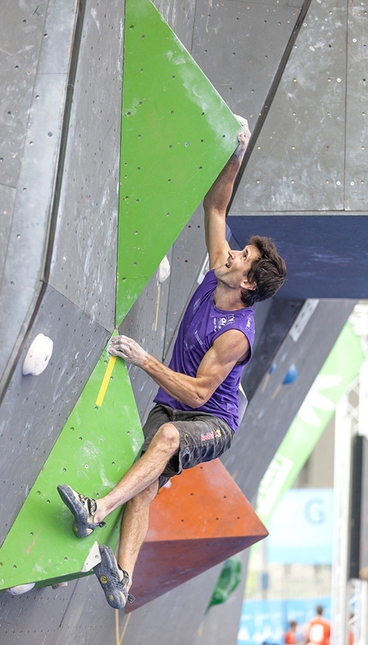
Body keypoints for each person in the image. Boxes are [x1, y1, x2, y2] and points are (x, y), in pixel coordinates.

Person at [57, 117, 287, 609]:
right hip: (176, 401)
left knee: (163, 441)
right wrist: (236, 154)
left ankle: (96, 511)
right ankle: (121, 578)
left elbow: (201, 395)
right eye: (240, 251)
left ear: (247, 283)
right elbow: (217, 204)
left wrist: (144, 360)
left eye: (242, 257)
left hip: (211, 421)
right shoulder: (220, 271)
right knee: (148, 474)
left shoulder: (235, 338)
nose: (232, 253)